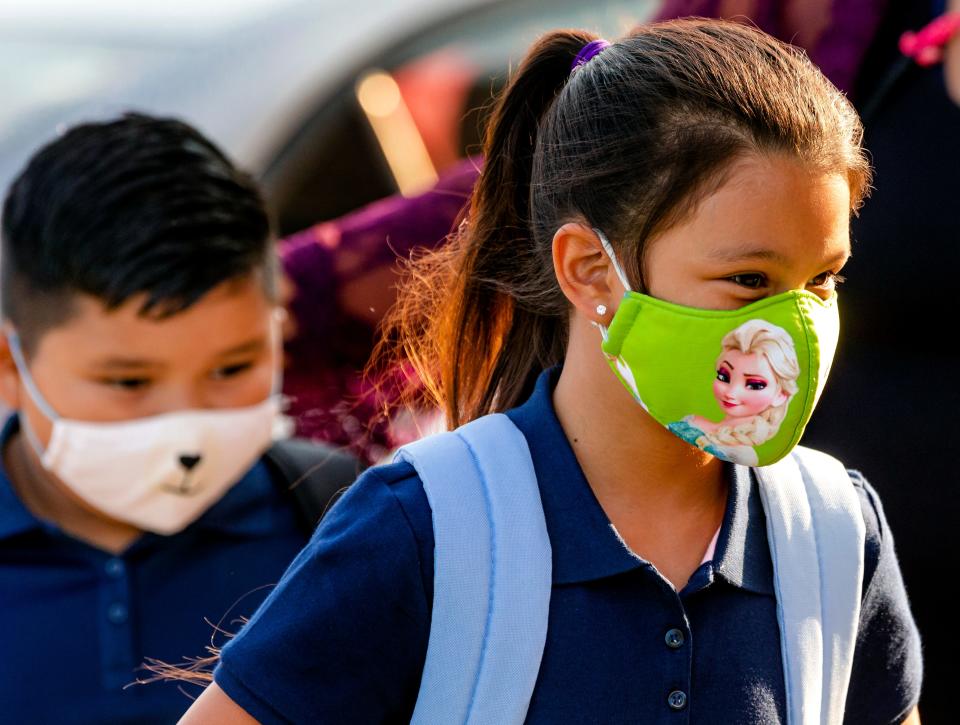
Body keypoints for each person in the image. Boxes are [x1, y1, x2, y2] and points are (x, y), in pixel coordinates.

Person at [180, 20, 922, 724]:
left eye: (822, 280)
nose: (794, 325)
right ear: (590, 269)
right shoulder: (425, 526)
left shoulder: (830, 533)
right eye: (750, 280)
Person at [0, 114, 358, 723]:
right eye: (128, 382)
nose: (187, 420)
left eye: (232, 368)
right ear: (11, 365)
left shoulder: (337, 520)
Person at [668, 319, 801, 466]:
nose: (731, 392)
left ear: (780, 394)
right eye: (724, 376)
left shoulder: (743, 455)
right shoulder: (692, 421)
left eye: (754, 385)